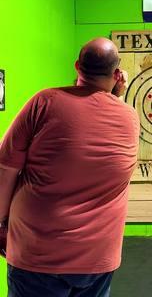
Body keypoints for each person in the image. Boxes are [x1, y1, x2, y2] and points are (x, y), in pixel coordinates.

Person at [0, 37, 140, 297]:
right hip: (97, 258)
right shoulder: (129, 118)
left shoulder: (44, 102)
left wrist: (0, 224)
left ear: (77, 66)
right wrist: (114, 96)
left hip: (37, 253)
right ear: (117, 73)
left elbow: (4, 168)